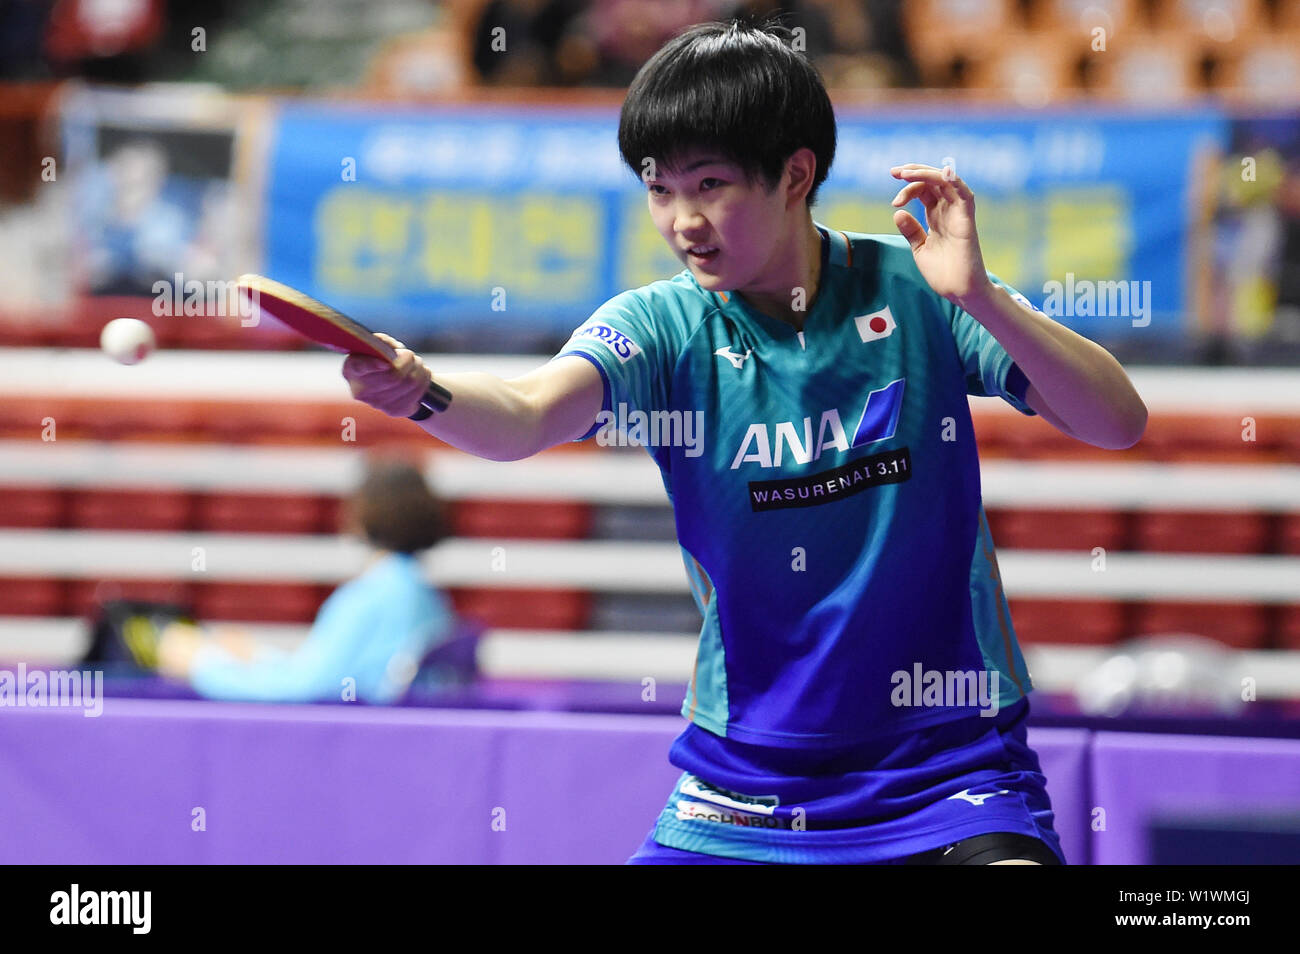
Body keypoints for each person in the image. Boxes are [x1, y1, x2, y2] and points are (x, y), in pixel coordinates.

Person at [342, 19, 1147, 864]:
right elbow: (526, 414)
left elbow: (1115, 422)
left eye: (711, 185)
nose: (682, 220)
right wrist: (423, 393)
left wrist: (982, 299)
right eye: (660, 190)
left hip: (947, 772)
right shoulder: (662, 326)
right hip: (743, 786)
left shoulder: (917, 291)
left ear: (795, 175)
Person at [157, 457, 455, 705]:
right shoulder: (429, 599)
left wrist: (202, 666)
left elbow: (307, 688)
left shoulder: (366, 599)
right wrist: (255, 656)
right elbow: (331, 671)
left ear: (361, 517)